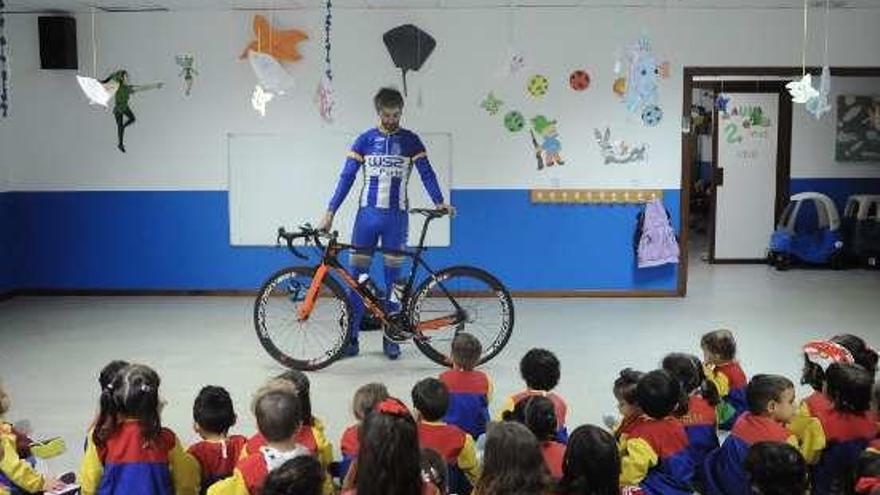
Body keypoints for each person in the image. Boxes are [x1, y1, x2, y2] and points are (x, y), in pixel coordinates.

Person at [319, 87, 454, 359]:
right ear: (378, 112)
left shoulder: (411, 140)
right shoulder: (364, 140)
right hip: (366, 218)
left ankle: (391, 337)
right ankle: (351, 338)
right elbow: (346, 178)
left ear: (401, 111)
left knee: (395, 281)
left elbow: (427, 173)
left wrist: (439, 200)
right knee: (356, 281)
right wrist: (330, 211)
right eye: (386, 114)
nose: (392, 119)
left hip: (396, 219)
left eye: (396, 114)